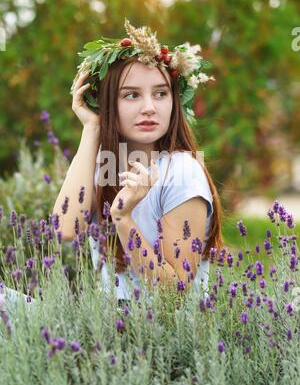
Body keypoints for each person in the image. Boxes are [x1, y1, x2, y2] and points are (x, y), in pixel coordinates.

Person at [52, 19, 224, 306]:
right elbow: (63, 229)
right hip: (110, 329)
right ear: (106, 104)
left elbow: (174, 292)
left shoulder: (181, 171)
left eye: (160, 93)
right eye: (131, 95)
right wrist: (92, 128)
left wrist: (123, 219)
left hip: (164, 338)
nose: (149, 107)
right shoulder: (104, 165)